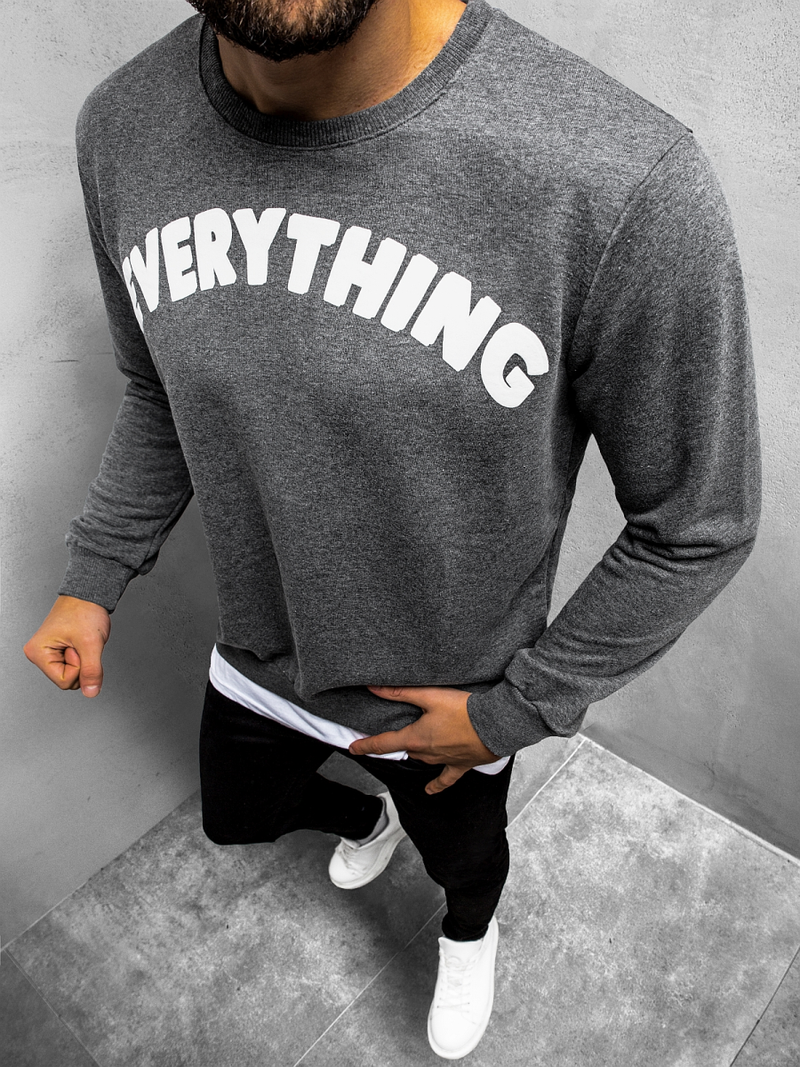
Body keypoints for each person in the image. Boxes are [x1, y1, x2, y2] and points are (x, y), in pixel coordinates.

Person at [23, 0, 761, 1058]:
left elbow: (696, 523)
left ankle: (468, 929)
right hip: (262, 654)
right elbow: (158, 387)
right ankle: (365, 816)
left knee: (464, 860)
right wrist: (94, 576)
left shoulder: (621, 180)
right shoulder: (120, 127)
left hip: (448, 696)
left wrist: (515, 709)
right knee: (239, 812)